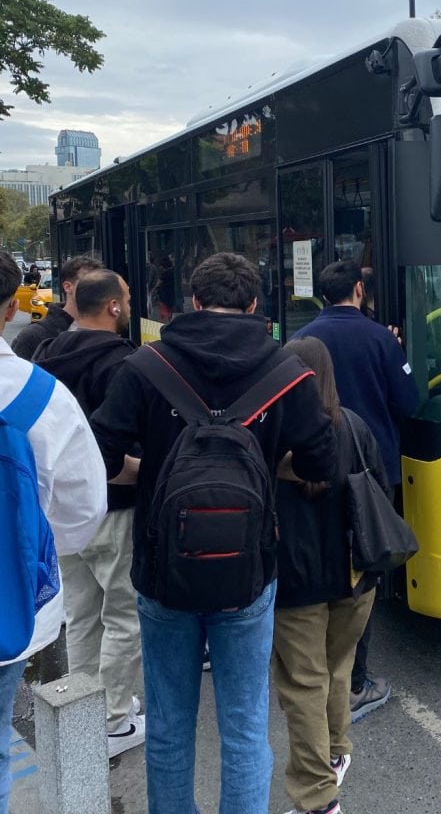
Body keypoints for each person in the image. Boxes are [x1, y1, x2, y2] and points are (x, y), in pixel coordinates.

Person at [90, 251, 337, 814]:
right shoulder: (286, 372)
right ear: (255, 306)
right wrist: (264, 463)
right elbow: (325, 463)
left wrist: (151, 470)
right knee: (246, 726)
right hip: (250, 572)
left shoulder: (146, 366)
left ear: (194, 302)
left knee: (171, 723)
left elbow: (98, 455)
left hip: (161, 572)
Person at [0, 251, 107, 814]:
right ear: (8, 306)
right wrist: (37, 557)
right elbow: (83, 507)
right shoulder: (37, 396)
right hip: (9, 605)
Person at [292, 258, 419, 722]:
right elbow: (410, 400)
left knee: (322, 562)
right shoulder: (379, 337)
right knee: (363, 568)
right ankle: (357, 681)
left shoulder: (302, 341)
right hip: (371, 471)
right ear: (360, 292)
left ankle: (318, 666)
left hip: (311, 470)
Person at [33, 269, 144, 756]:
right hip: (115, 509)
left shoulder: (46, 353)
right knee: (123, 614)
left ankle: (86, 707)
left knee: (80, 613)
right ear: (115, 307)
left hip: (61, 509)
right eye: (127, 296)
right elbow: (112, 448)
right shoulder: (124, 363)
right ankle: (114, 718)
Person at [274, 337, 385, 814]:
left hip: (297, 579)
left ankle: (317, 796)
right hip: (356, 574)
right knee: (337, 670)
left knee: (304, 683)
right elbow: (379, 488)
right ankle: (336, 752)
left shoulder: (275, 434)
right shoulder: (356, 426)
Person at [12, 254, 104, 360]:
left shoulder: (106, 327)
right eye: (89, 283)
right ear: (68, 287)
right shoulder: (33, 336)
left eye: (100, 284)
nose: (97, 289)